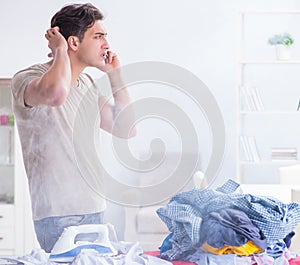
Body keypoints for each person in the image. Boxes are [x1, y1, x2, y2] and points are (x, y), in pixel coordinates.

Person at [11, 3, 136, 253]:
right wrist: (59, 50)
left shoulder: (89, 84)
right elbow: (56, 94)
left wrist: (115, 75)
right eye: (98, 36)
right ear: (73, 43)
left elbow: (127, 129)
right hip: (58, 215)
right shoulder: (28, 78)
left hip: (94, 209)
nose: (106, 45)